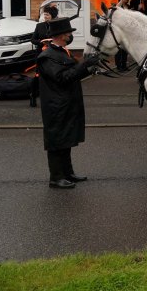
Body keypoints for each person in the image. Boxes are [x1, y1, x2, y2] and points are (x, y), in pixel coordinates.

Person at [37, 17, 99, 189]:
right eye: (68, 33)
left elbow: (74, 74)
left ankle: (67, 173)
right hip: (56, 106)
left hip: (66, 103)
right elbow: (63, 78)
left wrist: (89, 69)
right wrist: (84, 65)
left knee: (66, 139)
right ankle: (56, 178)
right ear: (61, 35)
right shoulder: (47, 57)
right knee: (57, 141)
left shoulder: (61, 52)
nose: (70, 35)